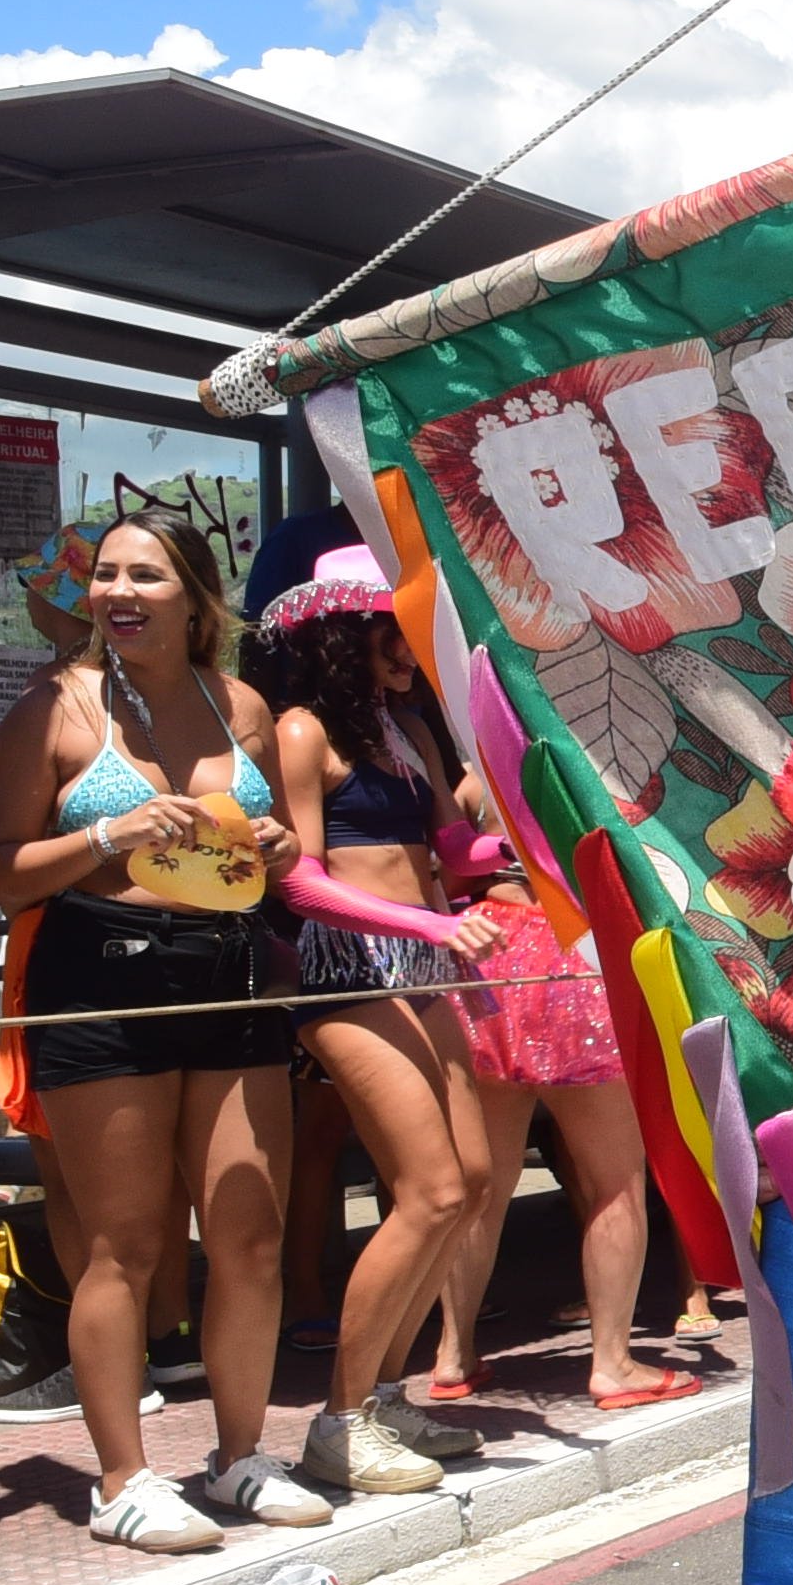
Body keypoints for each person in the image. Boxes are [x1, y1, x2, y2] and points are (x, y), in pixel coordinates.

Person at [0, 511, 318, 1548]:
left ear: (197, 596)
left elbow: (292, 862)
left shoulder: (245, 706)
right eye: (106, 575)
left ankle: (240, 1457)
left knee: (249, 1233)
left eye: (145, 575)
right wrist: (104, 833)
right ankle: (123, 1478)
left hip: (231, 975)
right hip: (102, 977)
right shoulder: (58, 704)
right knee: (125, 1244)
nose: (118, 592)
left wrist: (278, 842)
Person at [253, 548, 503, 1495]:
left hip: (423, 967)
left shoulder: (408, 732)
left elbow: (455, 845)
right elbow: (302, 880)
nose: (413, 652)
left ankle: (386, 1397)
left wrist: (552, 819)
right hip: (347, 976)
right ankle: (340, 1420)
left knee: (474, 1181)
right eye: (398, 632)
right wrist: (430, 919)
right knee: (434, 1190)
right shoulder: (301, 732)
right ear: (347, 634)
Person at [427, 791, 683, 1407]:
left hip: (493, 946)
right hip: (577, 950)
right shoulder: (586, 758)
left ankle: (453, 1354)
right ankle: (612, 1362)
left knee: (482, 1185)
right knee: (615, 1181)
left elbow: (454, 869)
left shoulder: (471, 770)